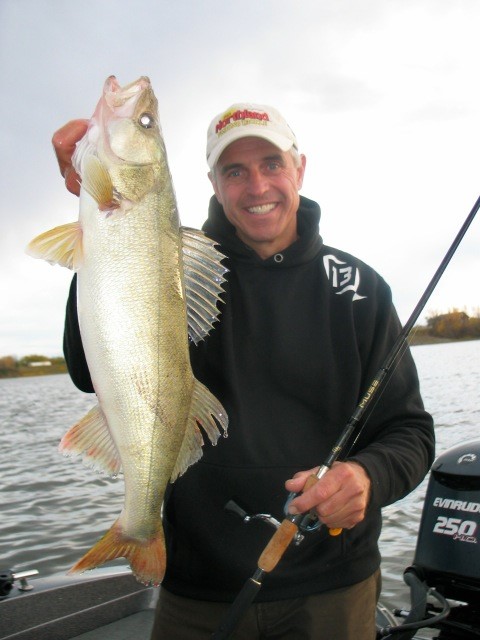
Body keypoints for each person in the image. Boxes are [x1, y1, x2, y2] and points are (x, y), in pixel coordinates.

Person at [53, 103, 435, 639]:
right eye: (234, 170)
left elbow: (411, 432)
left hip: (333, 587)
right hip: (197, 588)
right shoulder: (174, 267)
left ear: (299, 168)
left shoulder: (360, 290)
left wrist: (366, 477)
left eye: (271, 163)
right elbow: (87, 370)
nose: (257, 185)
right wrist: (98, 223)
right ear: (212, 182)